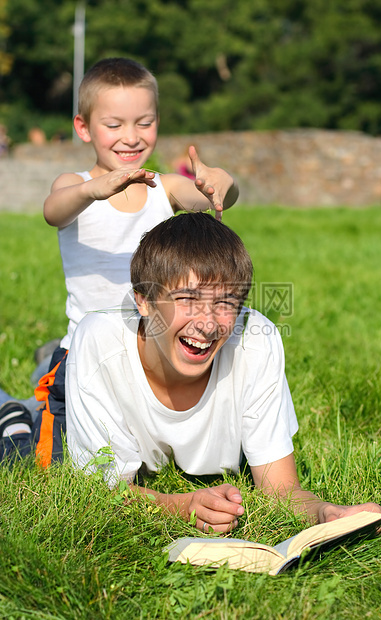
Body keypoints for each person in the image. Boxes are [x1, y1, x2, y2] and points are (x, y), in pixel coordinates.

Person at [63, 212, 381, 532]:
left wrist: (326, 513)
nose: (208, 323)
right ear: (144, 301)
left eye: (226, 303)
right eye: (187, 298)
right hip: (71, 384)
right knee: (31, 439)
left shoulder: (256, 342)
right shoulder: (99, 344)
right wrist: (181, 505)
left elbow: (280, 489)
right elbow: (101, 491)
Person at [0, 57, 239, 466]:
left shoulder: (166, 188)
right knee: (51, 462)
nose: (130, 137)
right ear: (83, 127)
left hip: (152, 356)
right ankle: (14, 413)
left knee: (140, 458)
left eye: (143, 123)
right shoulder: (76, 186)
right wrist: (95, 190)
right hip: (85, 356)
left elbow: (216, 197)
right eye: (114, 125)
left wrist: (222, 182)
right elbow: (54, 210)